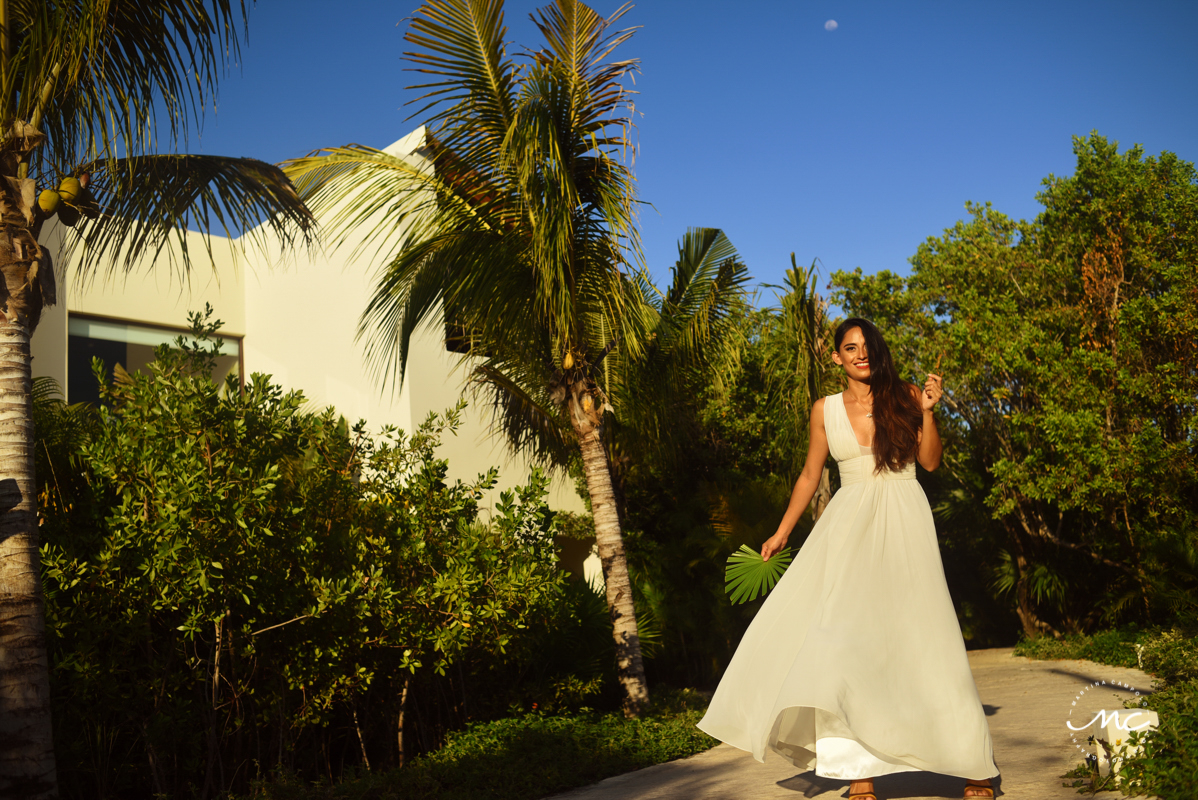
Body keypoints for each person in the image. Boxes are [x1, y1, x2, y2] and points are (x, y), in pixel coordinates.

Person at [696, 318, 999, 800]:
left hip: (904, 520)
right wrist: (781, 531)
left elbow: (931, 463)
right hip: (847, 529)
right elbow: (809, 476)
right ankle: (859, 773)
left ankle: (972, 765)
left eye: (867, 346)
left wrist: (928, 412)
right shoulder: (825, 410)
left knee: (929, 636)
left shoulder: (905, 394)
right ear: (835, 357)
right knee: (844, 644)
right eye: (849, 348)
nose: (860, 354)